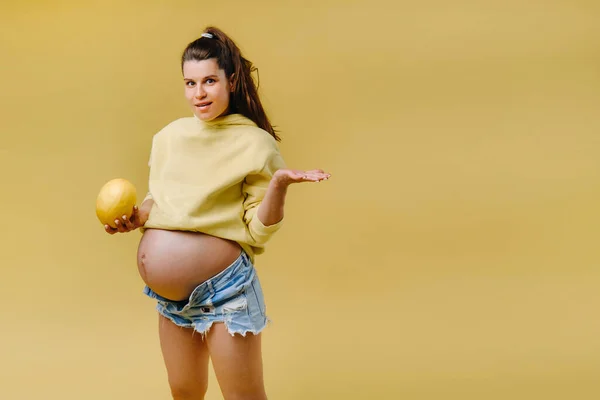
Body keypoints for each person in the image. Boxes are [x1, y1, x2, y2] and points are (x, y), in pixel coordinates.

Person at [103, 26, 330, 400]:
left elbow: (257, 232)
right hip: (170, 300)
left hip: (225, 292)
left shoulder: (255, 143)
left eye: (209, 80)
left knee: (243, 396)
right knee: (184, 392)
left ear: (232, 79)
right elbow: (159, 200)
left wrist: (279, 186)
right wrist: (137, 217)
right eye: (190, 83)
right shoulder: (168, 137)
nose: (199, 93)